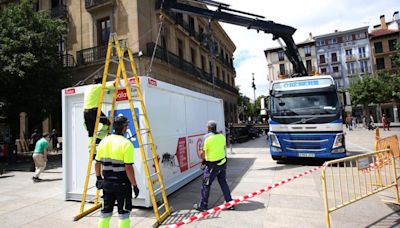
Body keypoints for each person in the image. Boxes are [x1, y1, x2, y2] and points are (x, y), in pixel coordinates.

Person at [95, 116, 139, 228]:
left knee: (105, 212)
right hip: (122, 185)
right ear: (124, 128)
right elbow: (128, 168)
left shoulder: (104, 141)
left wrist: (99, 178)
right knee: (124, 213)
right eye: (127, 125)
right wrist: (134, 185)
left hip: (107, 184)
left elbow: (97, 163)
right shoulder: (127, 144)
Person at [194, 120, 234, 212]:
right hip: (222, 163)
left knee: (206, 184)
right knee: (223, 182)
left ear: (208, 128)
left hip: (212, 166)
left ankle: (203, 206)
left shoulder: (206, 138)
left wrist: (202, 156)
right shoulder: (222, 136)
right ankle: (230, 203)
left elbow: (202, 154)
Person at [83, 75, 114, 149]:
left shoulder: (87, 88)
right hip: (94, 111)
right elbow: (113, 85)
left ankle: (92, 152)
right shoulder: (99, 86)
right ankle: (99, 137)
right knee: (108, 123)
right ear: (101, 82)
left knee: (91, 133)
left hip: (86, 112)